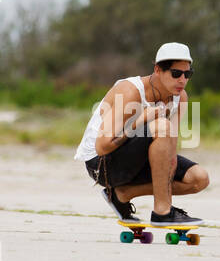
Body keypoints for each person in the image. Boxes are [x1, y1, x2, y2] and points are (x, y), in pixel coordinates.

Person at [73, 41, 209, 226]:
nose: (182, 80)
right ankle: (162, 212)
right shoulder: (131, 91)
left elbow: (170, 147)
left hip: (138, 159)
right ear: (158, 70)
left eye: (188, 74)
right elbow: (102, 146)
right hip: (101, 165)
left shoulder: (180, 97)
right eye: (176, 73)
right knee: (162, 126)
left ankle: (122, 195)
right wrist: (140, 121)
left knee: (199, 179)